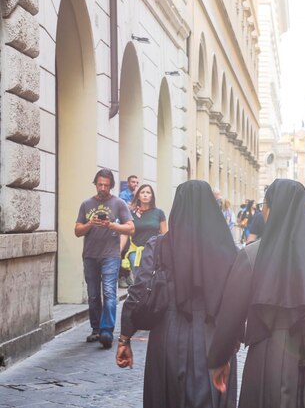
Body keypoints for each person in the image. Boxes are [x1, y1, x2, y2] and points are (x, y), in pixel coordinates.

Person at [228, 179, 305, 407]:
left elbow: (231, 315)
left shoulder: (251, 255)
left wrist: (219, 358)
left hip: (269, 356)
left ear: (271, 209)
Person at [116, 180, 240, 407]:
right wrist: (233, 338)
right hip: (213, 338)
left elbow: (140, 290)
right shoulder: (227, 248)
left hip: (168, 334)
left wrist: (125, 336)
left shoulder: (160, 244)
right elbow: (235, 299)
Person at [74, 168, 134, 349]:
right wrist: (90, 223)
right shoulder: (86, 204)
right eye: (100, 184)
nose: (102, 188)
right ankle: (96, 329)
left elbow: (130, 228)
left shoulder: (119, 204)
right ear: (95, 184)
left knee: (109, 292)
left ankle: (107, 330)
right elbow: (77, 231)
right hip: (90, 255)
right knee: (93, 295)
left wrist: (111, 225)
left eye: (106, 185)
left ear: (111, 186)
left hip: (110, 255)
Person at [119, 184, 167, 287]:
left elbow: (164, 235)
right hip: (135, 252)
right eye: (142, 192)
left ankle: (150, 301)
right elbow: (125, 233)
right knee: (139, 281)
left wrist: (166, 254)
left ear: (152, 196)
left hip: (153, 252)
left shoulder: (159, 213)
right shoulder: (131, 213)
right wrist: (118, 251)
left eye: (148, 192)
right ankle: (139, 301)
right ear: (138, 196)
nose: (145, 195)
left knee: (151, 281)